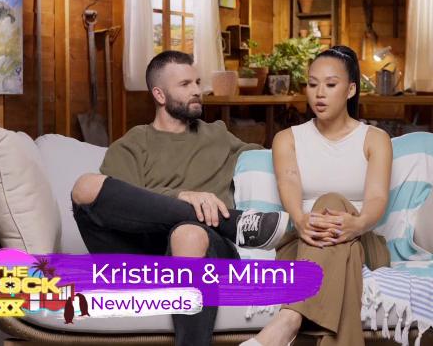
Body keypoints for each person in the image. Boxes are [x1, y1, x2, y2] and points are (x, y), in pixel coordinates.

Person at [71, 50, 290, 346]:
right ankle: (232, 223)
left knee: (188, 234)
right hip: (139, 252)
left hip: (206, 248)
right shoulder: (131, 145)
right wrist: (182, 197)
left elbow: (279, 156)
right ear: (159, 95)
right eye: (185, 84)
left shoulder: (217, 136)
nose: (197, 90)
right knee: (85, 186)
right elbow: (122, 208)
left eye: (197, 82)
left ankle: (215, 226)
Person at [242, 46, 393, 346]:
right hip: (302, 241)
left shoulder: (375, 139)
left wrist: (358, 225)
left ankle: (288, 320)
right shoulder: (287, 139)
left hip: (364, 239)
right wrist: (299, 220)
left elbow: (377, 198)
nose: (319, 93)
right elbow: (289, 184)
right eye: (312, 84)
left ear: (351, 90)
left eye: (330, 84)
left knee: (331, 202)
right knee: (342, 248)